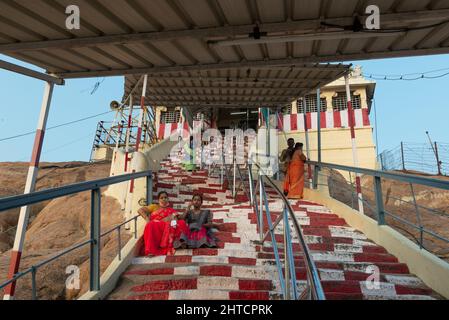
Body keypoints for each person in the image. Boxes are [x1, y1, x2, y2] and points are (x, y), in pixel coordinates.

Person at [141, 191, 189, 256]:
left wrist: (187, 209)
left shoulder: (171, 210)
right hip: (157, 226)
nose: (164, 199)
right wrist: (147, 219)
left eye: (165, 197)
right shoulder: (154, 206)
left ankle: (179, 243)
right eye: (161, 198)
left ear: (168, 199)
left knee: (182, 223)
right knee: (150, 224)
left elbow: (180, 218)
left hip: (169, 226)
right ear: (158, 199)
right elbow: (140, 210)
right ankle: (151, 250)